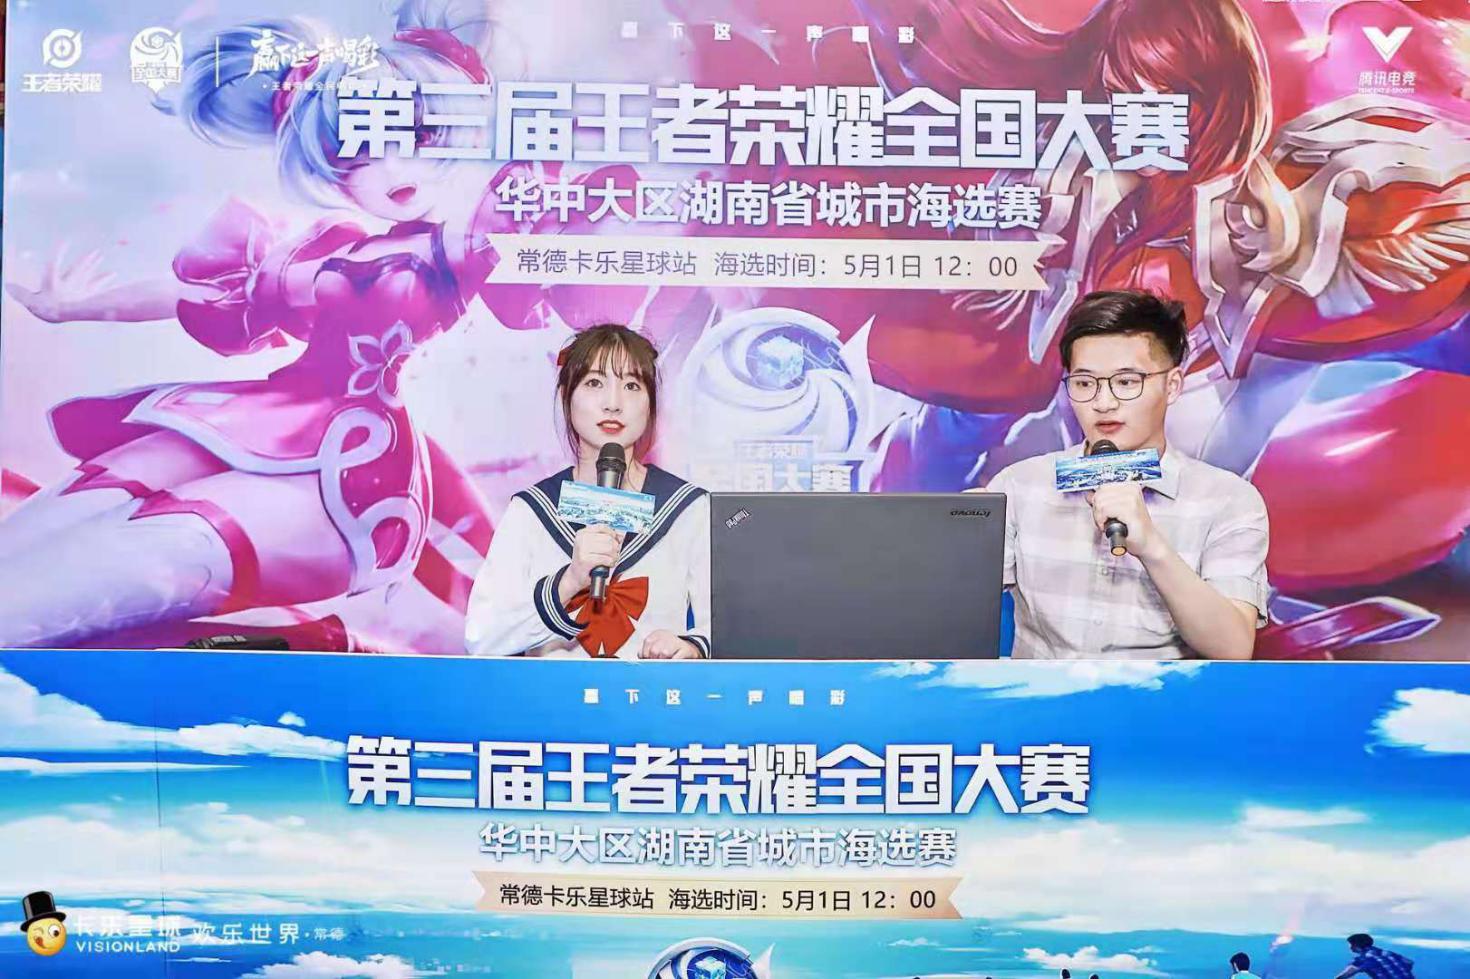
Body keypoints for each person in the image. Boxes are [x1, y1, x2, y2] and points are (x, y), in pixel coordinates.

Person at [986, 290, 1269, 659]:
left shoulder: (1228, 500)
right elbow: (947, 609)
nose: (1103, 403)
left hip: (1161, 695)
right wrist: (957, 542)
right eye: (1084, 383)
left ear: (1172, 385)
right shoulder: (1020, 487)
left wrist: (1151, 547)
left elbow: (1232, 648)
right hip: (1043, 694)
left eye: (1126, 382)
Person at [465, 324, 710, 659]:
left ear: (651, 404)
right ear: (567, 396)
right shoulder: (532, 511)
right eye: (595, 383)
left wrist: (692, 648)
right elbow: (482, 638)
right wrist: (569, 580)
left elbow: (724, 631)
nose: (613, 403)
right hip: (555, 693)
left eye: (632, 385)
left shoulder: (688, 508)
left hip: (650, 691)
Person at [1335, 934, 1415, 979]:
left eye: (1350, 944)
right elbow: (1409, 962)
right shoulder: (1387, 953)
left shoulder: (1362, 959)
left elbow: (1345, 975)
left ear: (1355, 946)